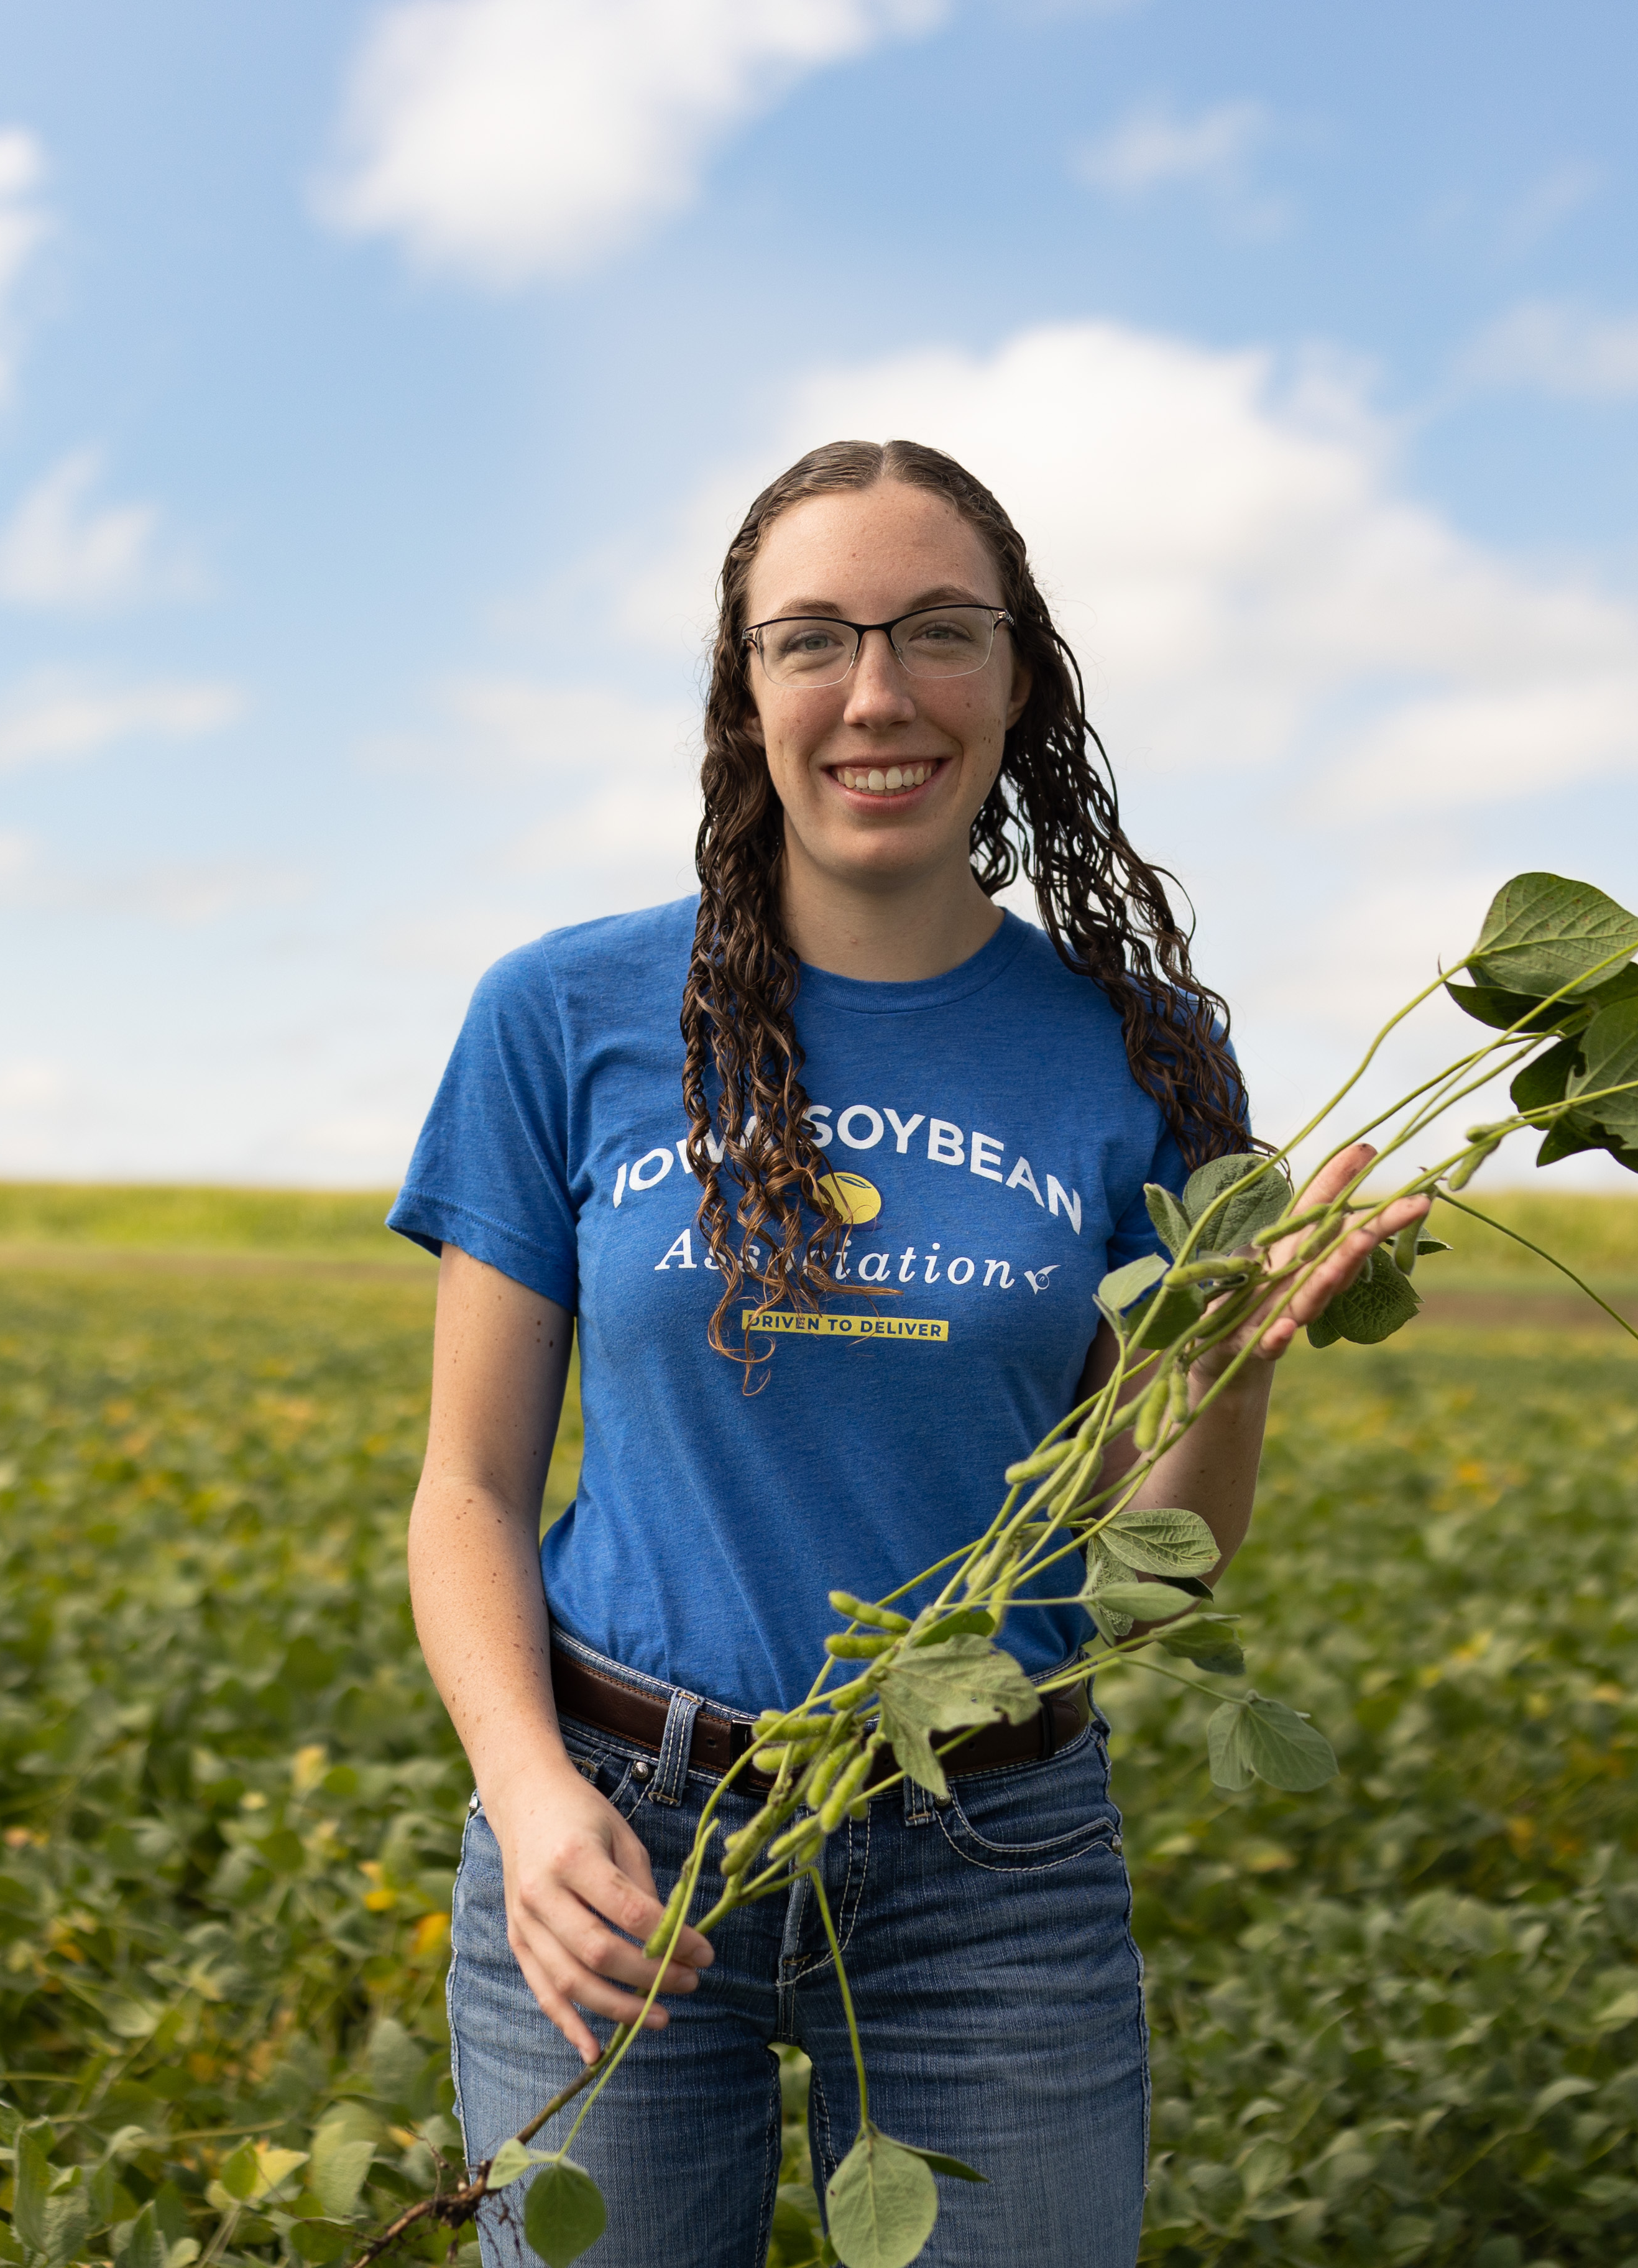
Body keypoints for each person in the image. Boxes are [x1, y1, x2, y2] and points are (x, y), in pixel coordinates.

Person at [389, 438, 1423, 2267]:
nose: (878, 693)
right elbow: (467, 1486)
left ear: (1019, 679)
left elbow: (1138, 1573)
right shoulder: (562, 1015)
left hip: (990, 1859)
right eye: (812, 639)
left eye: (938, 632)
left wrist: (1241, 1355)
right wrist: (531, 1793)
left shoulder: (1146, 1054)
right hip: (621, 1828)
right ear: (748, 691)